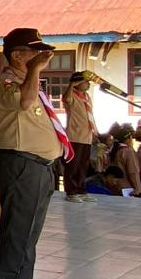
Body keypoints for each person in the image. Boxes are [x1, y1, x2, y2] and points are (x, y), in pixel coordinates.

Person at [0, 28, 67, 279]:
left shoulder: (26, 81)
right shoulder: (7, 82)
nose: (39, 57)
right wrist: (35, 70)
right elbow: (24, 103)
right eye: (33, 52)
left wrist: (33, 71)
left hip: (41, 166)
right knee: (17, 231)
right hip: (22, 164)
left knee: (30, 232)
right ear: (17, 55)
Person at [61, 72, 97, 203]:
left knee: (83, 165)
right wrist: (71, 85)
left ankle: (81, 189)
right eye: (85, 81)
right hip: (74, 135)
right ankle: (71, 191)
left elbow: (90, 116)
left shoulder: (86, 97)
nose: (88, 84)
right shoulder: (72, 95)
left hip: (86, 135)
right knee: (73, 165)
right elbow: (66, 99)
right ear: (77, 83)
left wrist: (94, 132)